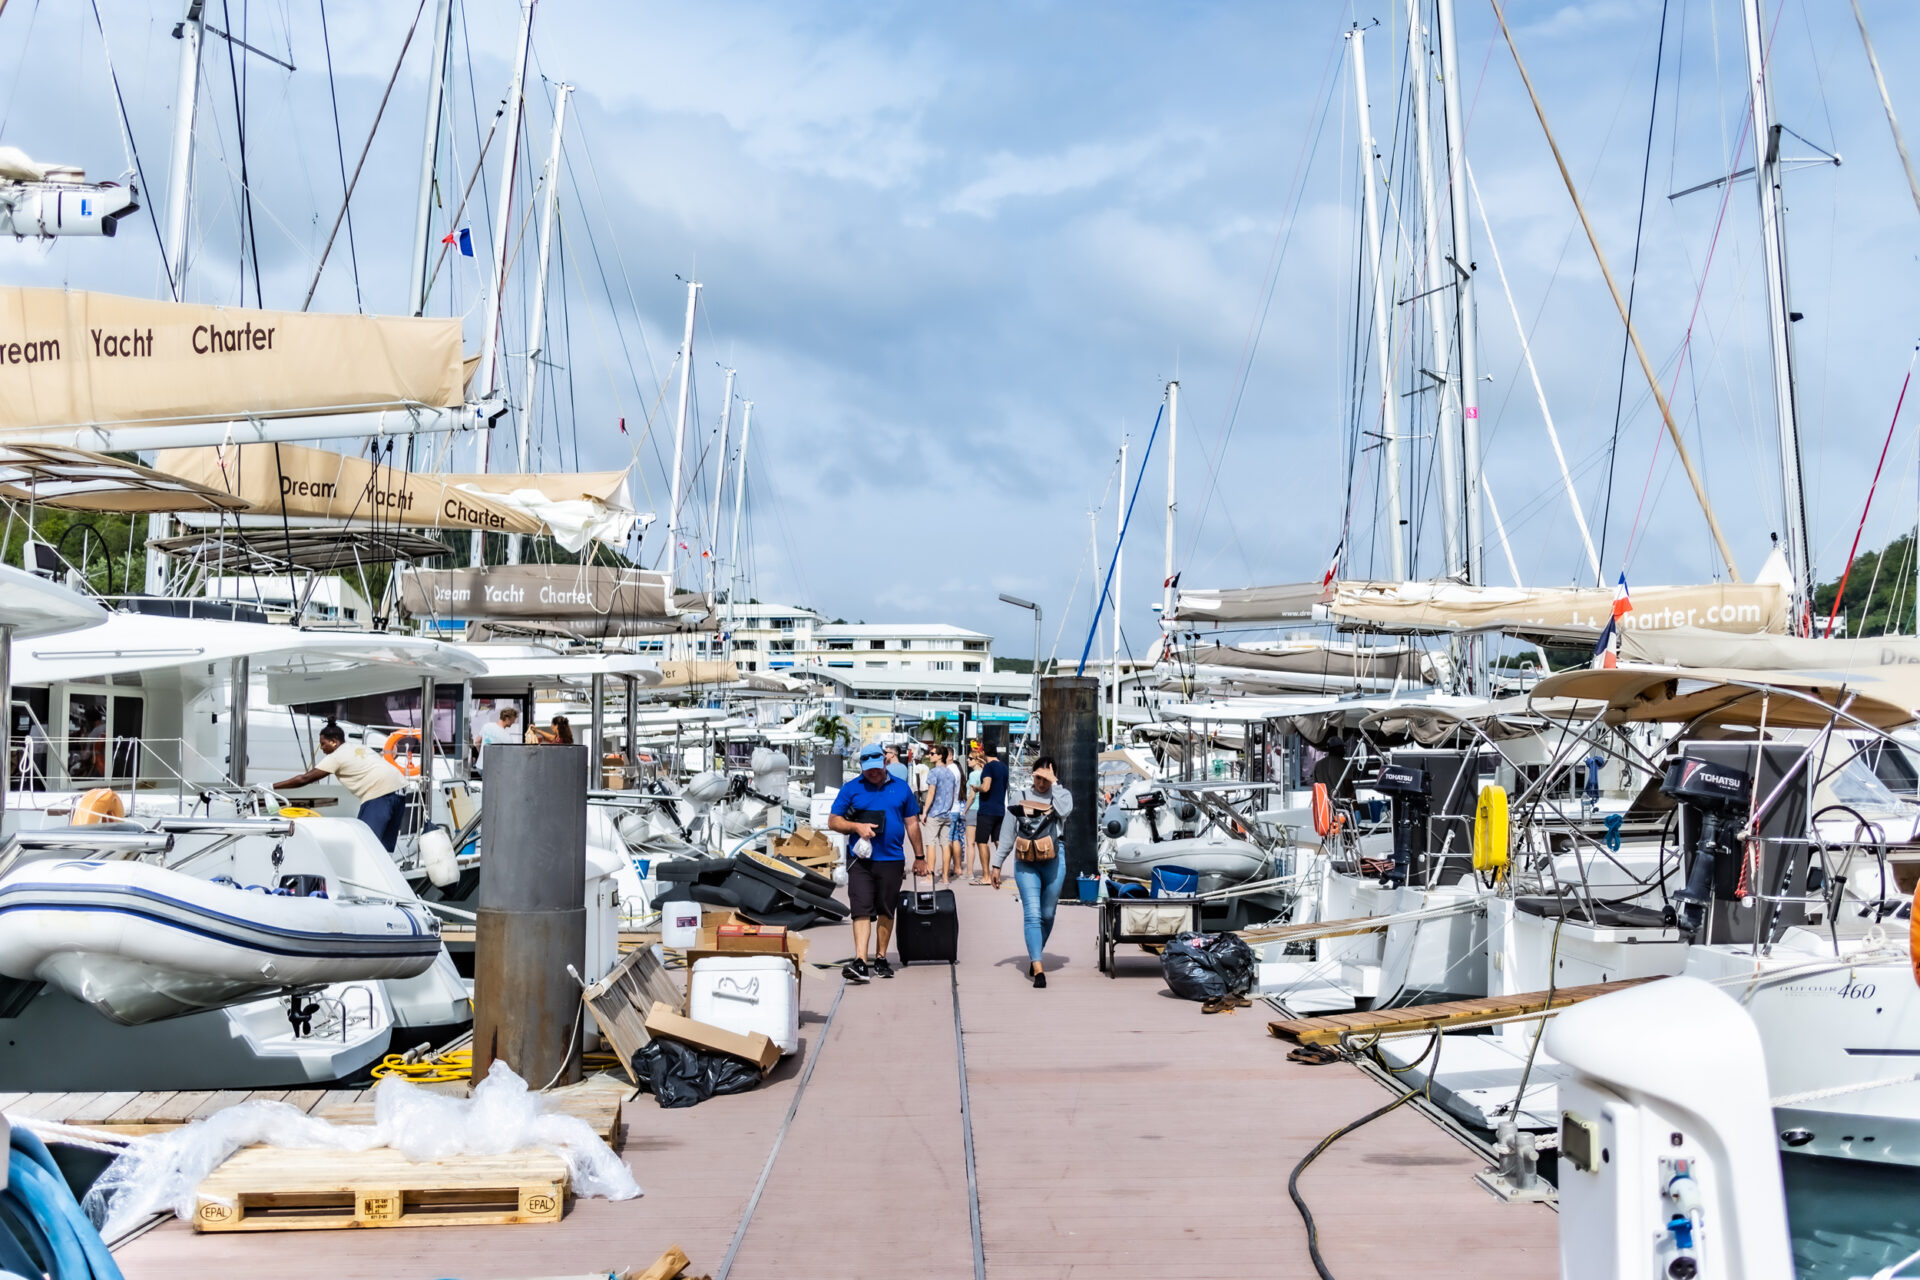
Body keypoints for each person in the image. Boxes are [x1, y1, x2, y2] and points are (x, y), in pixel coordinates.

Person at [827, 741, 926, 983]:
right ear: (861, 767)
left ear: (884, 762)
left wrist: (920, 857)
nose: (873, 773)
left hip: (892, 859)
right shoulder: (851, 789)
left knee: (886, 909)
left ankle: (881, 958)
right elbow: (833, 821)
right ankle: (861, 961)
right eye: (868, 769)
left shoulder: (901, 788)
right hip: (860, 860)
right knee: (860, 909)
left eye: (877, 768)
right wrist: (856, 826)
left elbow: (912, 823)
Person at [991, 757, 1075, 987]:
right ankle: (1038, 967)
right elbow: (1007, 833)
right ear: (1032, 775)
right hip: (1025, 860)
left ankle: (1034, 952)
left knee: (1047, 914)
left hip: (1053, 858)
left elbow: (1065, 811)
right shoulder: (1019, 797)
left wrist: (1055, 785)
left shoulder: (1061, 796)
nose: (1041, 783)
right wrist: (997, 865)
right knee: (1032, 914)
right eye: (1038, 777)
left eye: (1046, 778)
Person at [274, 722, 410, 851]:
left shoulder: (336, 757)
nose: (321, 748)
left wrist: (272, 786)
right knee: (383, 848)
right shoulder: (359, 747)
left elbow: (304, 779)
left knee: (365, 844)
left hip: (379, 792)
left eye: (323, 743)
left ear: (333, 741)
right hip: (399, 788)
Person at [921, 744, 961, 885]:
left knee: (930, 844)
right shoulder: (950, 773)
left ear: (940, 756)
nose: (930, 756)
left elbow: (931, 793)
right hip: (947, 813)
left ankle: (930, 876)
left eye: (932, 754)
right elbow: (952, 794)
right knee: (945, 844)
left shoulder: (934, 772)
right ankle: (945, 877)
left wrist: (924, 812)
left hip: (935, 812)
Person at [974, 742, 1008, 882]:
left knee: (982, 842)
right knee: (998, 841)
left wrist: (977, 788)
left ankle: (986, 876)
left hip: (987, 810)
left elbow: (986, 787)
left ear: (983, 753)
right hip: (1000, 809)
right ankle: (997, 873)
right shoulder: (1004, 767)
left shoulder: (988, 767)